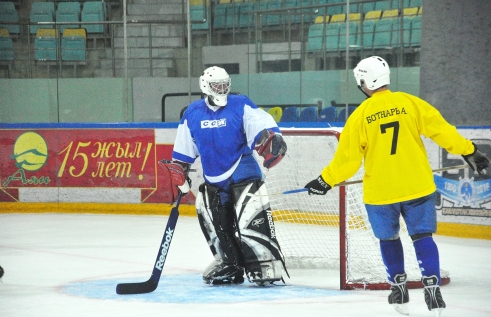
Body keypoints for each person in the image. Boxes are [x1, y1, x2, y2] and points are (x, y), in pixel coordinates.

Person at [304, 56, 490, 316]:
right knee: (422, 237)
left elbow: (347, 162)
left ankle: (399, 288)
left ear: (363, 82)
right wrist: (469, 151)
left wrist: (325, 181)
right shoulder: (410, 103)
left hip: (381, 194)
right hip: (418, 187)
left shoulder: (360, 116)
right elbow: (442, 130)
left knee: (388, 239)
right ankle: (433, 291)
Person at [159, 66, 288, 286]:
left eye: (224, 84)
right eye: (216, 85)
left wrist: (270, 137)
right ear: (205, 86)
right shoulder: (193, 113)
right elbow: (184, 151)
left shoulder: (240, 104)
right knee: (213, 220)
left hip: (243, 172)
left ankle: (264, 263)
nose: (222, 89)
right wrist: (180, 172)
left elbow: (259, 122)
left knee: (252, 218)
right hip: (213, 178)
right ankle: (231, 263)